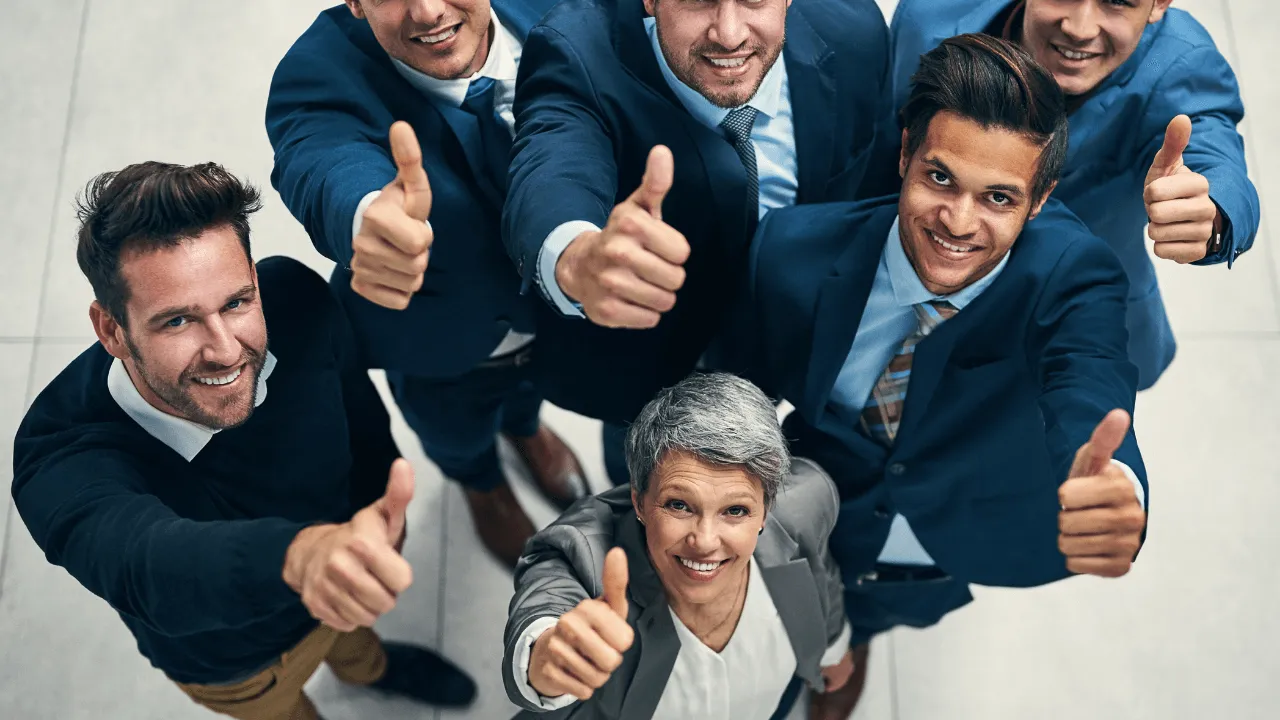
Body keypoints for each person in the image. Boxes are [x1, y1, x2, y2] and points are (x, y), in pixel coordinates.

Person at [730, 35, 1151, 718]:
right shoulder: (788, 254)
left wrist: (1115, 480)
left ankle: (862, 636)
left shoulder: (1076, 276)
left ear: (1039, 201)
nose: (957, 222)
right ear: (905, 155)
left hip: (963, 521)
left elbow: (1089, 375)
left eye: (999, 198)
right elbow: (730, 393)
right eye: (940, 178)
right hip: (826, 503)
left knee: (894, 602)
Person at [10, 162, 475, 720]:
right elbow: (145, 565)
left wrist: (377, 515)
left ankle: (373, 668)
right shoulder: (57, 451)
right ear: (111, 329)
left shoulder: (294, 297)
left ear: (254, 280)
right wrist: (299, 559)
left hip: (337, 572)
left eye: (236, 302)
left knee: (355, 639)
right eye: (178, 321)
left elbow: (361, 419)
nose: (226, 350)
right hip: (242, 662)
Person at [503, 0, 891, 483]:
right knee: (634, 470)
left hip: (773, 342)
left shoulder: (857, 32)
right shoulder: (576, 48)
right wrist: (579, 258)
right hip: (642, 348)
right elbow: (554, 160)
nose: (729, 34)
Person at [266, 0, 588, 568]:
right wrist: (366, 215)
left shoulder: (566, 12)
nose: (429, 10)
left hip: (551, 316)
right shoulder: (316, 72)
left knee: (530, 391)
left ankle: (526, 430)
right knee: (453, 430)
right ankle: (481, 483)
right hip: (435, 343)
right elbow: (322, 159)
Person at [880, 0, 1260, 390]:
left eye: (1117, 1)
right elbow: (887, 138)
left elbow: (1215, 155)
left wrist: (1212, 212)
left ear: (1159, 3)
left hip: (1058, 308)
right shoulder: (930, 14)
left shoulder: (1178, 65)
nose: (1080, 27)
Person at [501, 373, 854, 719]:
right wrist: (546, 657)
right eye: (679, 505)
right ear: (639, 502)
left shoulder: (808, 501)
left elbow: (820, 569)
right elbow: (546, 604)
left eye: (735, 510)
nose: (704, 541)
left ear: (766, 509)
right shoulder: (579, 551)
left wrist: (834, 646)